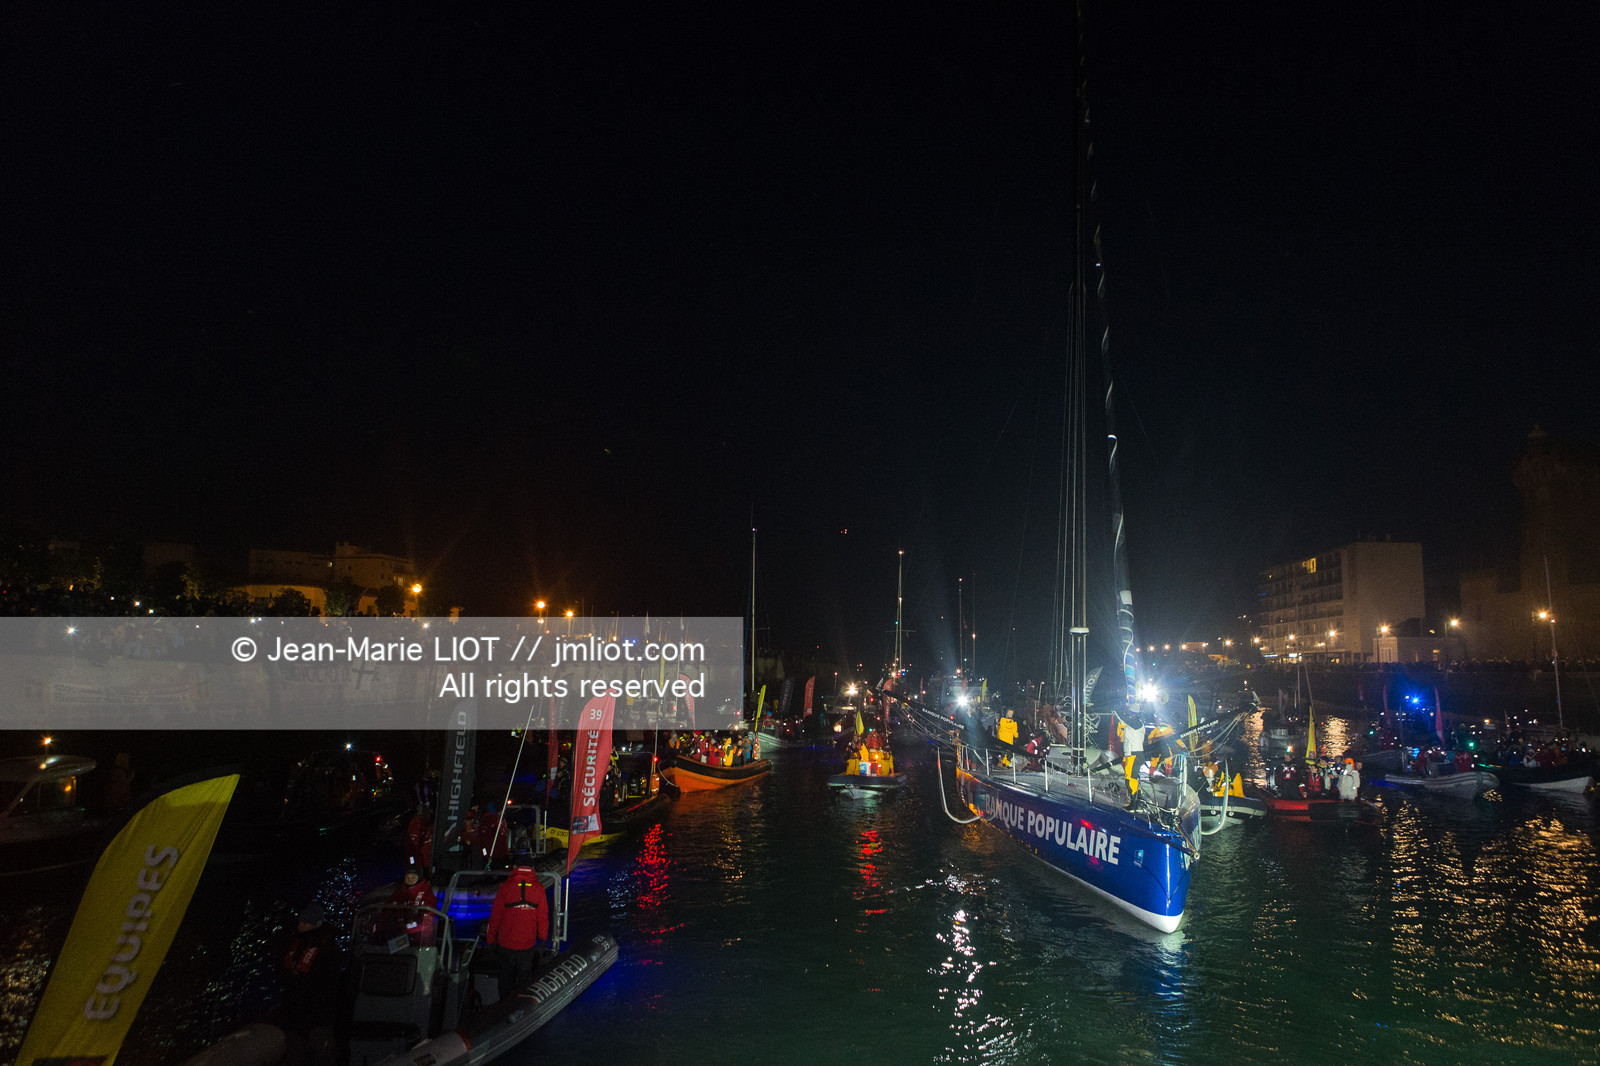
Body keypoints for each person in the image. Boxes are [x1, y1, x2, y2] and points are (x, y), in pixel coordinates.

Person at [279, 904, 342, 1065]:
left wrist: (299, 981)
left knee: (319, 1056)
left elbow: (325, 983)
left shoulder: (328, 948)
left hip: (318, 1018)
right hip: (293, 1016)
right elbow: (281, 970)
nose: (300, 926)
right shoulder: (295, 944)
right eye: (300, 922)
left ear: (317, 924)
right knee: (295, 1056)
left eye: (305, 923)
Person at [486, 864, 550, 999]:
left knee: (505, 981)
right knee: (524, 980)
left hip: (505, 944)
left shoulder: (505, 887)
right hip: (527, 945)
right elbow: (543, 917)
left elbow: (495, 917)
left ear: (515, 867)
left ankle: (503, 1007)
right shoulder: (539, 888)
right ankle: (520, 1009)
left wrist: (490, 940)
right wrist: (543, 939)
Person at [381, 865, 439, 945]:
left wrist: (408, 926)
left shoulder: (426, 894)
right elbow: (387, 910)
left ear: (419, 878)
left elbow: (429, 916)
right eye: (408, 878)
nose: (410, 880)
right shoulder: (399, 892)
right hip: (399, 928)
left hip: (418, 931)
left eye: (413, 878)